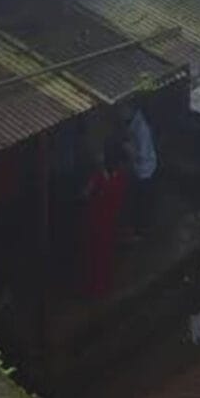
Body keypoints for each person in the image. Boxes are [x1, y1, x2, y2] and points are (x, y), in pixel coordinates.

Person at [78, 141, 128, 298]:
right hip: (110, 222)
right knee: (105, 257)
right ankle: (103, 286)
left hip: (95, 222)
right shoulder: (120, 178)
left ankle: (92, 289)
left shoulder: (99, 178)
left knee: (92, 257)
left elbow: (85, 194)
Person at [119, 102, 158, 238]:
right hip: (137, 170)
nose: (120, 112)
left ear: (130, 109)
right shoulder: (131, 122)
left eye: (122, 109)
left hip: (145, 171)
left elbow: (143, 156)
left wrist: (129, 149)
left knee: (141, 203)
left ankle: (142, 230)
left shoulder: (142, 128)